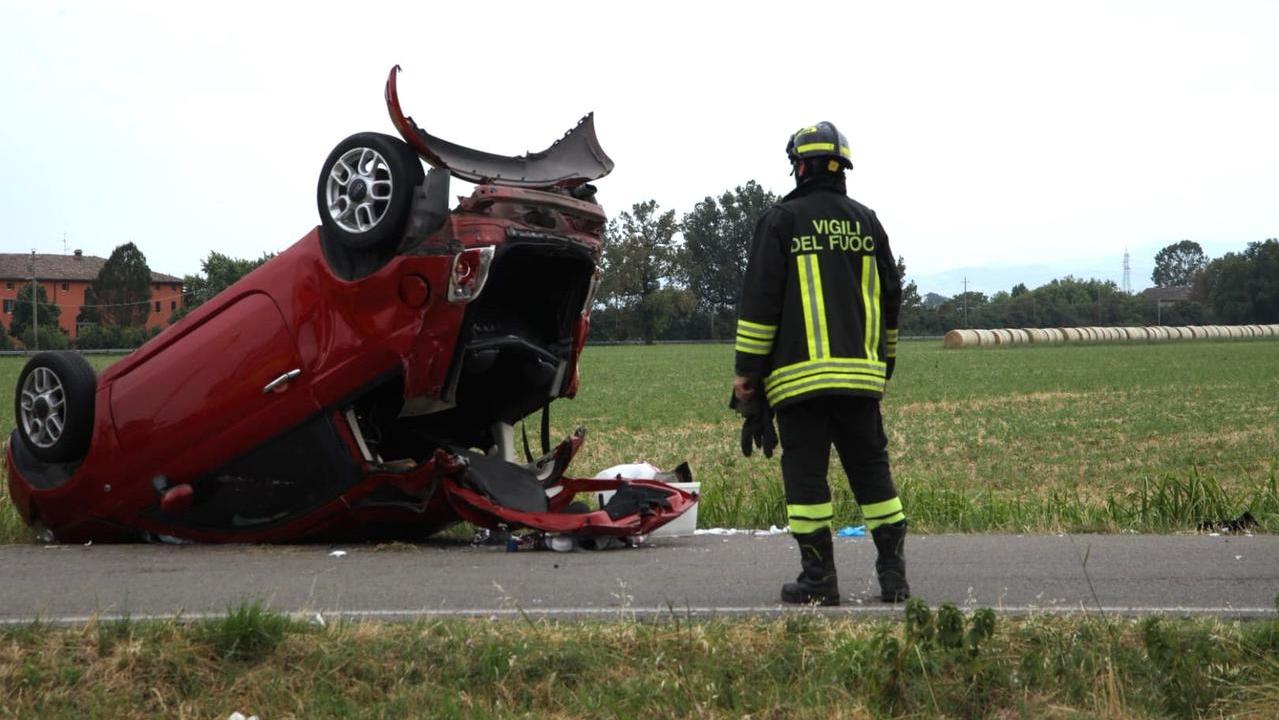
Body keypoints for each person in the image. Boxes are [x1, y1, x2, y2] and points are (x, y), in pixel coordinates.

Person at [733, 121, 909, 605]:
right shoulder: (868, 222)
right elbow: (891, 303)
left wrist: (747, 373)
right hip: (861, 381)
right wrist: (883, 367)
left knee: (807, 478)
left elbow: (760, 303)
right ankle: (894, 577)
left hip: (799, 383)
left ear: (800, 166)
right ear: (842, 169)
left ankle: (819, 580)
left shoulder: (781, 221)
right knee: (873, 475)